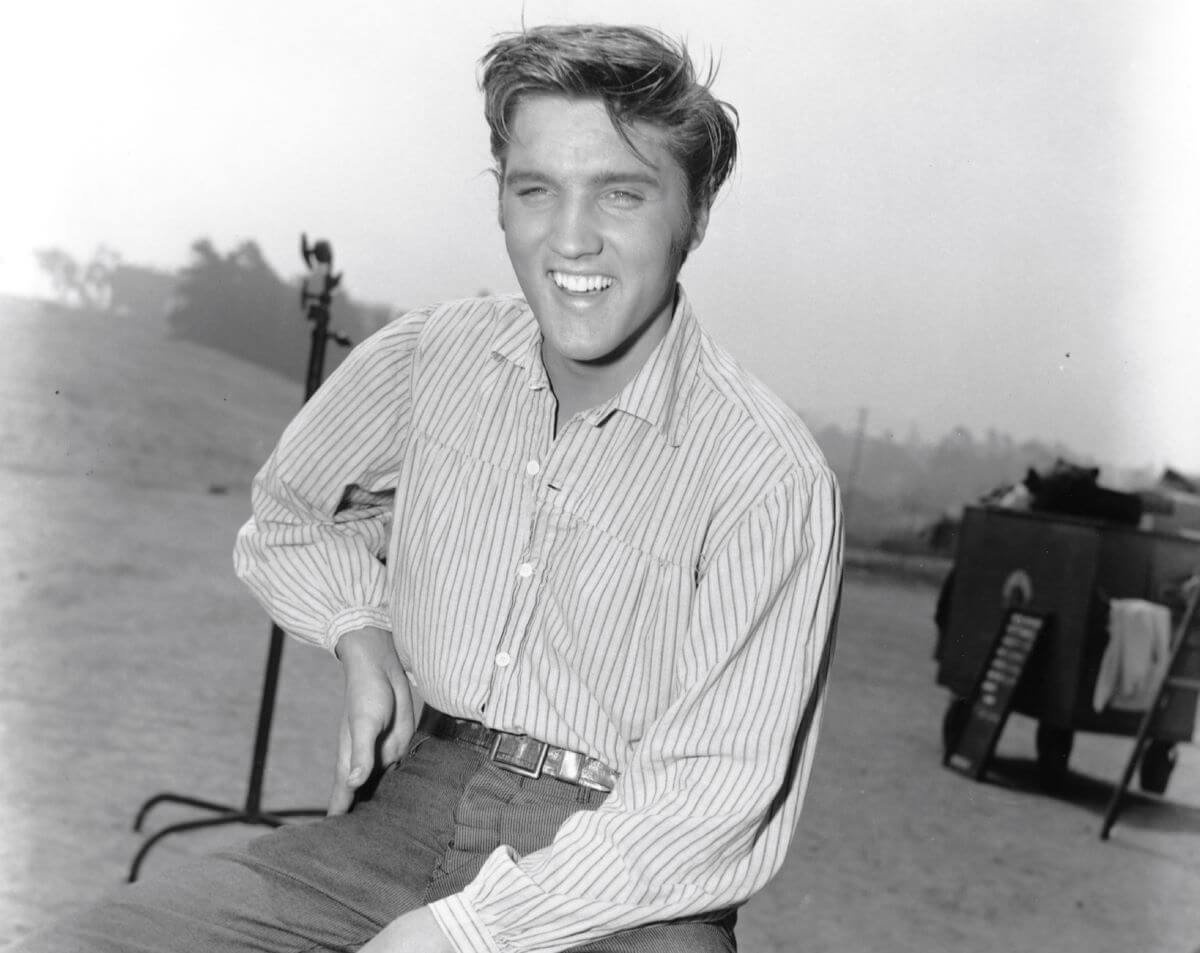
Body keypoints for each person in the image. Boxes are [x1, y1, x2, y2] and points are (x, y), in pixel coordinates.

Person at [21, 22, 843, 953]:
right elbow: (289, 514)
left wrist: (463, 932)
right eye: (536, 190)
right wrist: (358, 629)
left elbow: (711, 797)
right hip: (401, 820)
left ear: (694, 213)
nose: (572, 238)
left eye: (622, 193)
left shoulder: (769, 473)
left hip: (627, 882)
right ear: (501, 200)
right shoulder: (434, 354)